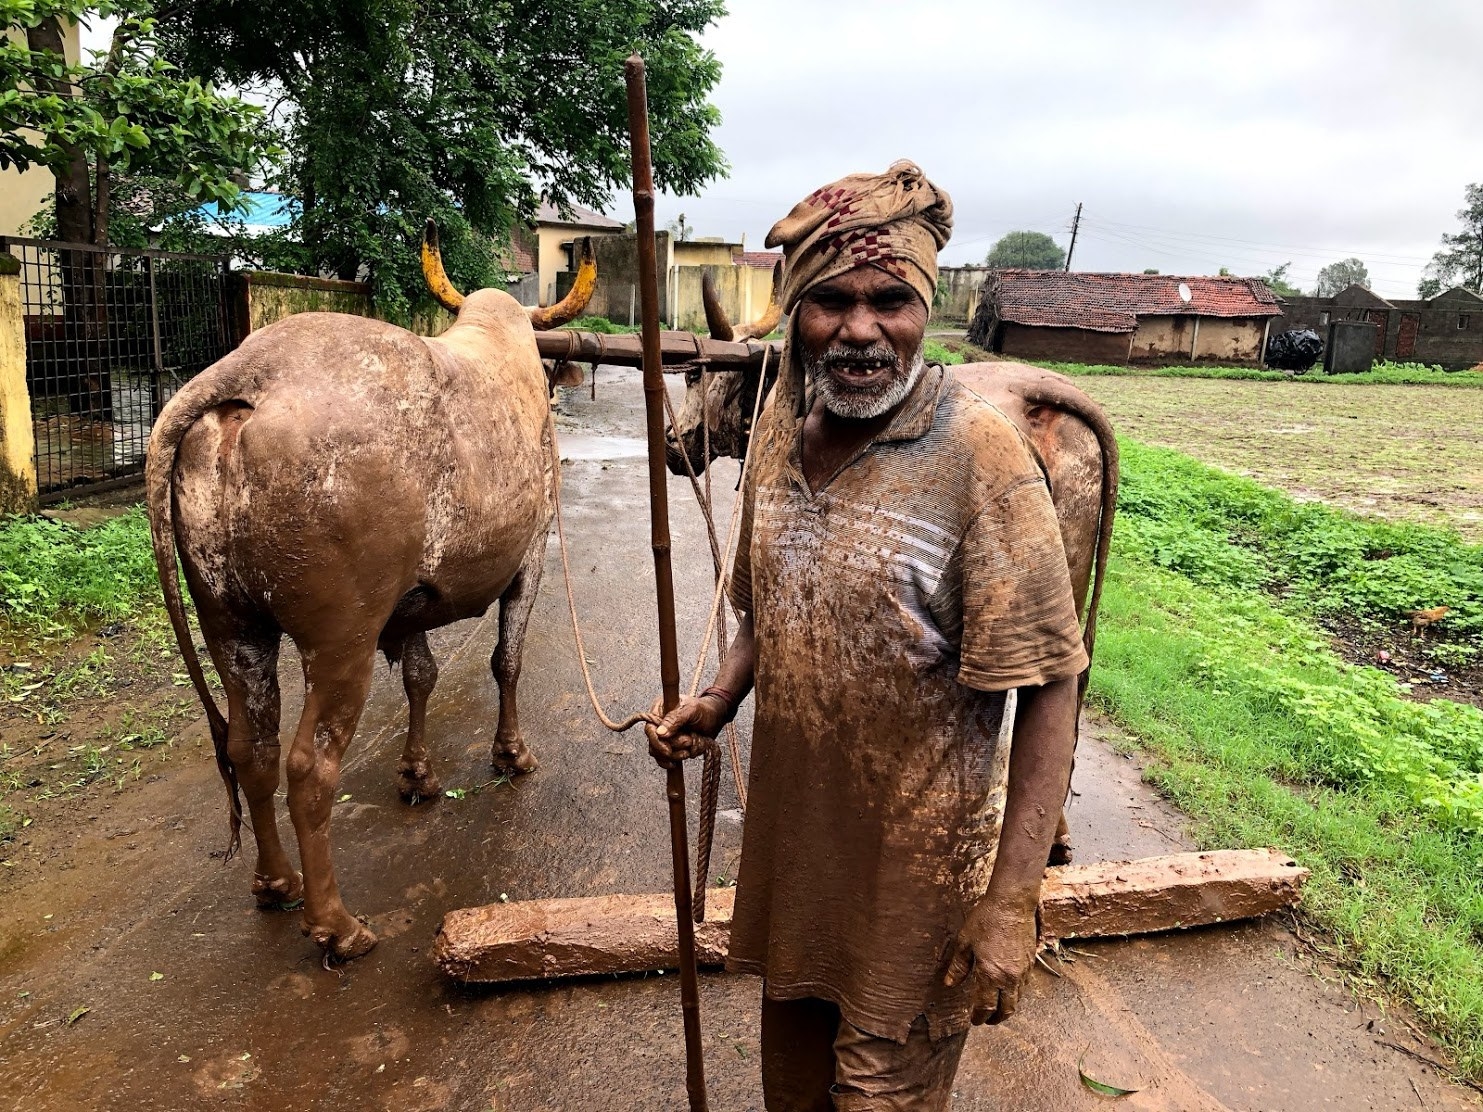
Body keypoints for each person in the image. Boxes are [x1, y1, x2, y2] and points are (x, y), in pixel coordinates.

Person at [648, 161, 1087, 1111]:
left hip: (919, 887)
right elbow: (769, 615)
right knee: (789, 1096)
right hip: (797, 862)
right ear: (796, 312)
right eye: (829, 302)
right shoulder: (774, 434)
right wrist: (717, 701)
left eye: (890, 299)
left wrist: (1011, 903)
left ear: (925, 309)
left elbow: (1050, 685)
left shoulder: (979, 457)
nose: (858, 329)